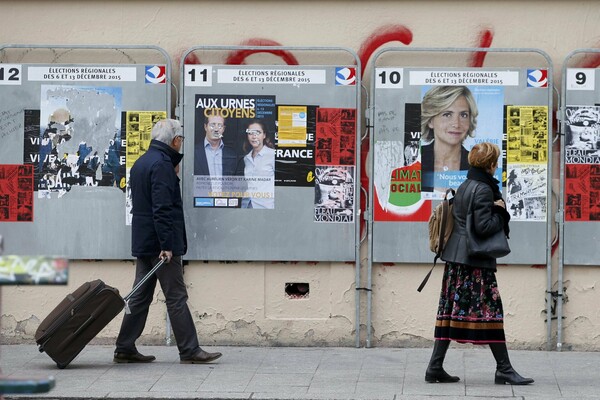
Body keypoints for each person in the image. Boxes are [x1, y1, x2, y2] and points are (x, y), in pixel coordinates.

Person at [114, 118, 222, 365]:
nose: (180, 144)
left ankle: (124, 346)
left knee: (140, 297)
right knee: (176, 297)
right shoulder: (162, 165)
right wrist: (166, 245)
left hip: (144, 242)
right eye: (180, 140)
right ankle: (189, 349)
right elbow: (162, 209)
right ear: (174, 140)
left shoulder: (141, 162)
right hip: (161, 246)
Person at [425, 142, 533, 386]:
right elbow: (483, 227)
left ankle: (434, 367)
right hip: (474, 265)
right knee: (491, 314)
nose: (496, 166)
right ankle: (504, 370)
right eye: (495, 162)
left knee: (449, 313)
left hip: (457, 261)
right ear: (490, 165)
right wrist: (501, 212)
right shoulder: (484, 189)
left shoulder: (466, 185)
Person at [420, 86, 478, 193]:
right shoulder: (415, 160)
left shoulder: (478, 165)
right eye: (447, 114)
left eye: (463, 115)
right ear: (430, 121)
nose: (456, 124)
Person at [242, 119, 275, 208]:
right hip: (247, 204)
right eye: (250, 133)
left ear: (264, 135)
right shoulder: (246, 158)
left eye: (258, 132)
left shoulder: (272, 155)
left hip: (266, 207)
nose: (254, 136)